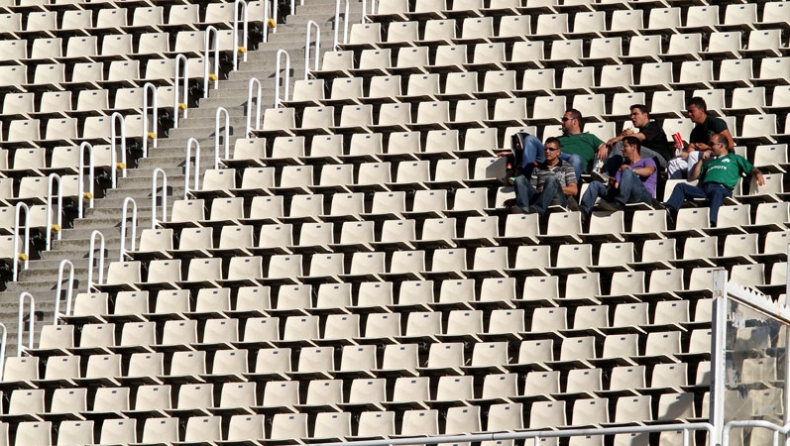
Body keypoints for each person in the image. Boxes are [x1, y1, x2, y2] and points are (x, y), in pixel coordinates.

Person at [663, 134, 764, 227]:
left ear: (721, 146)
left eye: (712, 144)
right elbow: (693, 177)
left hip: (722, 188)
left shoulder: (734, 158)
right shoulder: (710, 162)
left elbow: (751, 168)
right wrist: (701, 160)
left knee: (717, 191)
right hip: (705, 189)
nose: (709, 147)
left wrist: (757, 173)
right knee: (681, 186)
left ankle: (712, 222)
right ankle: (670, 210)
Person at [580, 136, 657, 215]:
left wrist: (631, 171)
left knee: (627, 172)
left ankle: (619, 202)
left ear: (634, 147)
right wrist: (613, 184)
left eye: (624, 146)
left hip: (643, 195)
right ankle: (583, 211)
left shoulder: (647, 161)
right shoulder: (622, 167)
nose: (621, 149)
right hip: (625, 195)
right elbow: (617, 186)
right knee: (595, 184)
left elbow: (649, 171)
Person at [504, 137, 577, 215]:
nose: (547, 151)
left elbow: (574, 190)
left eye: (551, 149)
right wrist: (515, 199)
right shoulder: (537, 168)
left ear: (558, 152)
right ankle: (523, 208)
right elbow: (533, 190)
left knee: (551, 180)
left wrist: (549, 189)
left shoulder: (567, 167)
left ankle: (538, 209)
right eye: (545, 149)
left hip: (557, 198)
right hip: (539, 197)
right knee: (520, 179)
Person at [667, 97, 735, 180]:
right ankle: (676, 189)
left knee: (694, 155)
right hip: (701, 159)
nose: (689, 114)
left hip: (720, 157)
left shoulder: (715, 123)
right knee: (673, 162)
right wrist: (678, 152)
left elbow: (730, 145)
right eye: (688, 112)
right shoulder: (695, 131)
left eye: (692, 111)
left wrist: (708, 148)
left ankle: (692, 185)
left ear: (701, 111)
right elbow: (688, 154)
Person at [604, 104, 671, 170]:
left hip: (660, 161)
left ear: (645, 115)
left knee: (622, 144)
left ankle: (608, 174)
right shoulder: (641, 131)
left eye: (635, 114)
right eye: (631, 115)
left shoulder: (654, 126)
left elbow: (640, 137)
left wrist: (618, 138)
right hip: (647, 160)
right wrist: (606, 146)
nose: (632, 117)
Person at [557, 108, 605, 181]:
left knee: (575, 158)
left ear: (575, 121)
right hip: (557, 163)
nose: (561, 122)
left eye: (565, 119)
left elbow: (605, 146)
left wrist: (604, 146)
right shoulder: (558, 139)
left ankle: (569, 188)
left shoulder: (589, 137)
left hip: (576, 165)